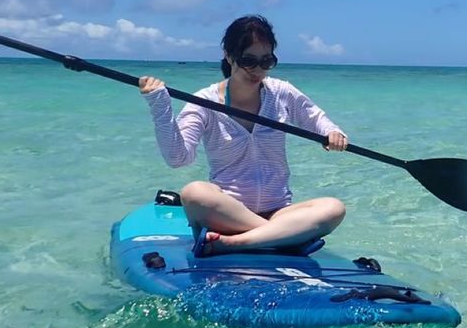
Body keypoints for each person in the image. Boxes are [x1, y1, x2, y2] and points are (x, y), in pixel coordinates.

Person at [138, 14, 348, 257]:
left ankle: (234, 243)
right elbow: (178, 158)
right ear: (229, 56)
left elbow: (314, 117)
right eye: (248, 60)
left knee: (333, 208)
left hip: (279, 212)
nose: (258, 70)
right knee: (194, 193)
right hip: (225, 215)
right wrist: (159, 105)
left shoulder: (281, 92)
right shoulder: (204, 102)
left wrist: (332, 132)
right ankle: (285, 238)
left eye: (266, 61)